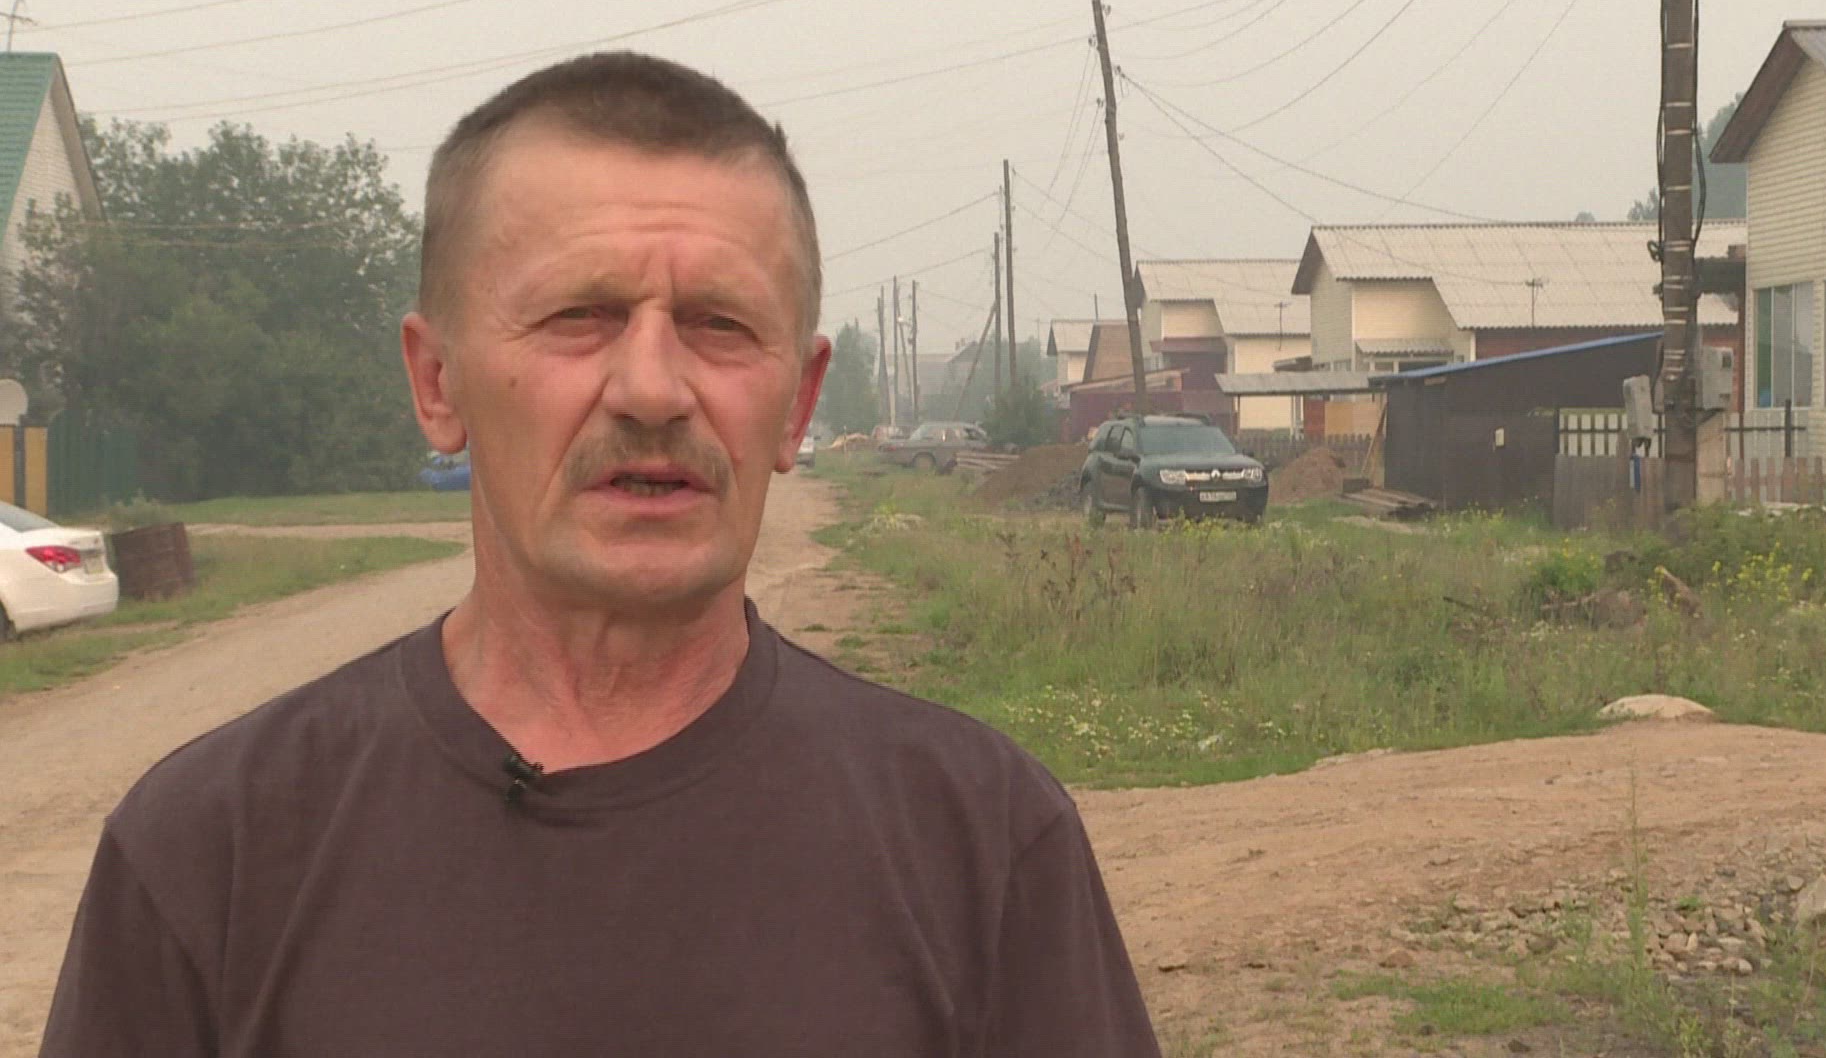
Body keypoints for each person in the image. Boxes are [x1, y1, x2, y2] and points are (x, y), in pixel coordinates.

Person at [40, 53, 1161, 1057]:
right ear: (437, 382)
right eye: (579, 316)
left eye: (721, 325)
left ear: (798, 401)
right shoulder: (213, 853)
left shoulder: (982, 845)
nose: (653, 389)